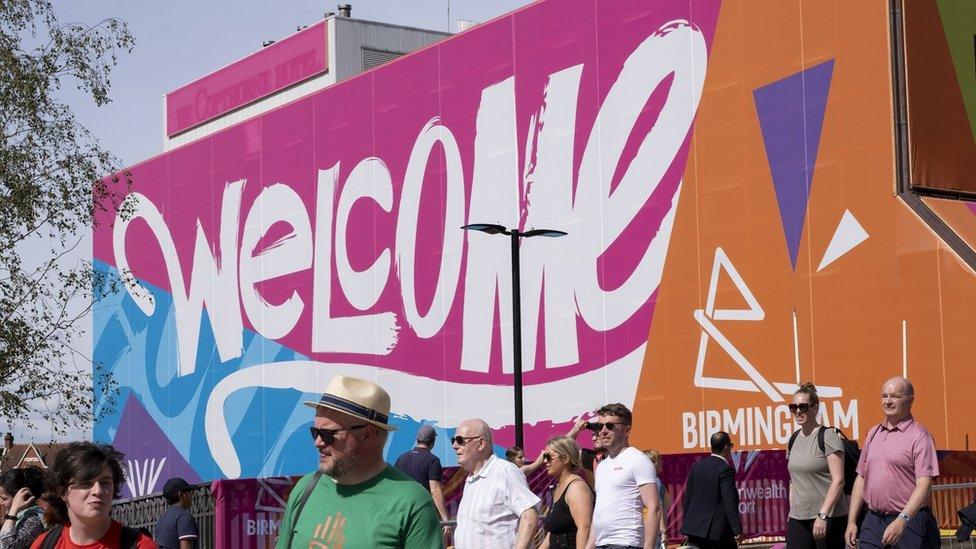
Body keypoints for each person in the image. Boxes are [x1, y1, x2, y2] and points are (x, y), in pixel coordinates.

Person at [276, 375, 442, 548]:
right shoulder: (306, 488)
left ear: (367, 434)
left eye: (327, 435)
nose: (317, 442)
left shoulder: (412, 502)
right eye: (315, 432)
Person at [845, 376, 940, 548]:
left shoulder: (920, 437)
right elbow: (861, 478)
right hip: (872, 523)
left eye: (894, 396)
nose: (888, 401)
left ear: (910, 401)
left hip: (910, 523)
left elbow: (924, 485)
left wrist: (902, 520)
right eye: (884, 396)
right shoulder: (873, 433)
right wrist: (851, 521)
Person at [30, 442, 155, 549]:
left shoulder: (140, 545)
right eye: (86, 483)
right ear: (62, 491)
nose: (98, 490)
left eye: (105, 482)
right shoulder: (44, 544)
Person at [453, 418, 540, 548]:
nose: (454, 445)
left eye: (460, 440)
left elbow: (529, 513)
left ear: (481, 443)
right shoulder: (471, 478)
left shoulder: (504, 471)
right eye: (453, 440)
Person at [587, 403, 661, 549]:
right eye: (599, 426)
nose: (603, 431)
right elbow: (599, 511)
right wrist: (589, 545)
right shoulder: (601, 466)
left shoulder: (638, 460)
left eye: (610, 426)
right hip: (601, 543)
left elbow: (654, 508)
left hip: (626, 542)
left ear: (626, 430)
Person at [785, 383, 847, 548]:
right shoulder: (793, 439)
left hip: (827, 518)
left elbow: (839, 480)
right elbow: (794, 480)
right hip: (798, 517)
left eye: (803, 407)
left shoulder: (828, 437)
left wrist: (823, 515)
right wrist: (792, 511)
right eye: (793, 407)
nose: (798, 411)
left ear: (814, 408)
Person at [680, 431, 742, 549]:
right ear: (726, 447)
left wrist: (686, 525)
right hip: (716, 532)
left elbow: (688, 498)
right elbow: (729, 500)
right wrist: (736, 528)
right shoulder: (725, 469)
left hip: (695, 529)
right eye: (731, 446)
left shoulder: (696, 467)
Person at [393, 424, 451, 538]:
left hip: (401, 514)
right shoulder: (432, 460)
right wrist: (446, 520)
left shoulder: (402, 458)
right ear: (433, 441)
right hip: (422, 515)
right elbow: (435, 491)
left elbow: (394, 487)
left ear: (417, 439)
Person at [540, 436, 593, 549]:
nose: (545, 461)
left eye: (549, 457)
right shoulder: (559, 488)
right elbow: (553, 531)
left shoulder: (576, 488)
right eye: (544, 456)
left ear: (566, 459)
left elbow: (584, 527)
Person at [0, 468, 46, 549]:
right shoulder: (18, 516)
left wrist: (13, 511)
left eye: (4, 499)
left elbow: (6, 546)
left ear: (21, 497)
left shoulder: (34, 520)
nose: (1, 502)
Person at [152, 478, 197, 549]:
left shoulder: (160, 521)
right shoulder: (184, 517)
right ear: (181, 494)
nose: (192, 495)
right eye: (190, 491)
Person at [643, 450, 670, 549]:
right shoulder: (655, 481)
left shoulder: (647, 481)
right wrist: (663, 531)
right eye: (659, 460)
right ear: (653, 463)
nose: (662, 462)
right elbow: (658, 507)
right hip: (655, 529)